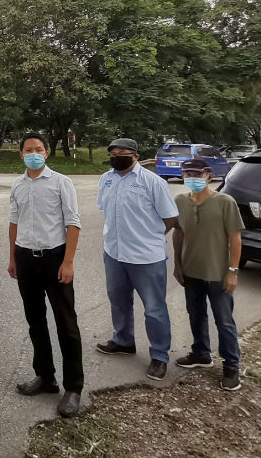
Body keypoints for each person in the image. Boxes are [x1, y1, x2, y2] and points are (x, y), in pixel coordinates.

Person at [8, 133, 84, 417]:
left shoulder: (61, 182)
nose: (34, 154)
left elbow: (73, 222)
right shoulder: (17, 184)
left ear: (46, 153)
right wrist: (13, 258)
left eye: (38, 149)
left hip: (55, 258)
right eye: (28, 150)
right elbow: (13, 222)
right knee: (35, 320)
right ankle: (45, 376)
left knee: (66, 322)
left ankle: (73, 387)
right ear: (21, 154)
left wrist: (68, 262)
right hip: (25, 258)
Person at [94, 138, 180, 381]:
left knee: (154, 308)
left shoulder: (152, 182)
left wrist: (151, 236)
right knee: (118, 300)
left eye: (122, 152)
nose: (116, 157)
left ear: (135, 156)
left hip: (146, 257)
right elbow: (107, 211)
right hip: (114, 253)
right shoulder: (106, 179)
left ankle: (160, 355)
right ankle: (123, 341)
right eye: (113, 153)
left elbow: (170, 218)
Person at [171, 159, 245, 391]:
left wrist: (232, 271)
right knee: (196, 315)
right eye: (187, 174)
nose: (191, 178)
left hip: (218, 274)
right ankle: (201, 353)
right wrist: (178, 264)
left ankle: (231, 366)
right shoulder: (180, 201)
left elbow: (235, 238)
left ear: (208, 176)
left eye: (196, 174)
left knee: (224, 321)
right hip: (191, 271)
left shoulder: (225, 202)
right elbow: (178, 233)